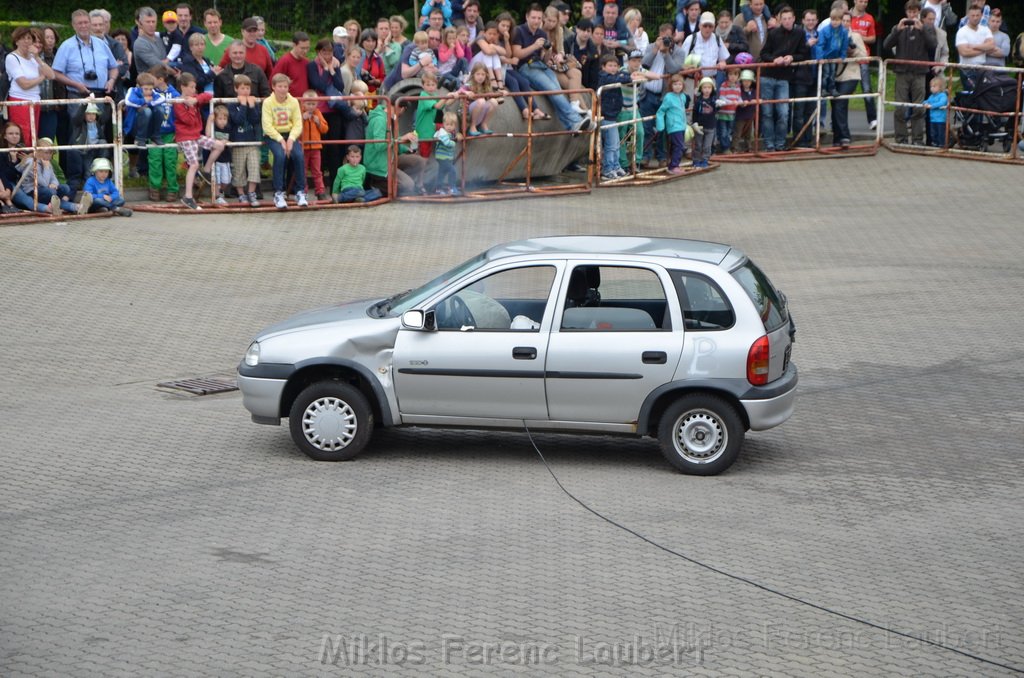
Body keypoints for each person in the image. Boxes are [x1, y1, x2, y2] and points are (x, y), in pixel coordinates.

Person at [512, 4, 590, 132]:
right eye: (533, 17)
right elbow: (517, 55)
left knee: (557, 92)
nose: (536, 21)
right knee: (554, 91)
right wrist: (534, 46)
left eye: (538, 18)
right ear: (527, 17)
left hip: (541, 65)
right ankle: (576, 120)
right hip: (526, 66)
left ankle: (571, 126)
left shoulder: (541, 33)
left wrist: (547, 50)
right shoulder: (519, 31)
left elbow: (545, 59)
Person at [884, 0, 937, 145]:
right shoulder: (899, 27)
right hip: (902, 72)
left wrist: (923, 30)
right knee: (900, 108)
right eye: (910, 12)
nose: (912, 15)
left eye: (915, 12)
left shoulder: (926, 27)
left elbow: (933, 45)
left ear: (919, 12)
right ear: (906, 12)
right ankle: (901, 139)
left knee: (918, 108)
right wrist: (897, 31)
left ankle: (917, 140)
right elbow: (886, 45)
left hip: (919, 73)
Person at [758, 6, 809, 152]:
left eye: (789, 18)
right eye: (784, 19)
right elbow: (764, 54)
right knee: (767, 112)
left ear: (794, 19)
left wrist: (792, 57)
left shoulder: (799, 33)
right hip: (768, 75)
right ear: (780, 20)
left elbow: (803, 53)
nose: (787, 21)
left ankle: (780, 144)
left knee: (783, 112)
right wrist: (775, 59)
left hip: (784, 78)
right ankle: (769, 144)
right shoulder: (773, 33)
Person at [174, 71, 225, 209]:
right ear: (183, 87)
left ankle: (206, 169)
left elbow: (208, 95)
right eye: (191, 87)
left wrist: (196, 100)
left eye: (194, 87)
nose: (193, 90)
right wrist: (190, 106)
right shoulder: (178, 102)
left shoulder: (194, 97)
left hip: (196, 135)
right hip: (185, 137)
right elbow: (188, 121)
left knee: (219, 145)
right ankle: (188, 196)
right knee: (194, 164)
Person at [641, 23, 685, 168]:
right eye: (663, 36)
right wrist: (655, 50)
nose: (665, 39)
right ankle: (645, 156)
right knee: (646, 128)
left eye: (668, 36)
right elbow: (644, 65)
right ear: (658, 35)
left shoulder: (678, 52)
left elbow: (674, 69)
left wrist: (666, 53)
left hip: (665, 96)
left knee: (663, 128)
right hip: (647, 94)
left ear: (673, 36)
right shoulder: (650, 47)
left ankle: (661, 157)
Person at [262, 73, 308, 209]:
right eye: (280, 86)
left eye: (285, 86)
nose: (283, 89)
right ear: (273, 87)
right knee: (280, 155)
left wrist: (291, 138)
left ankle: (300, 191)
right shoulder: (268, 102)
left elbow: (298, 123)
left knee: (298, 156)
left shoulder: (293, 101)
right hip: (273, 135)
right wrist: (281, 140)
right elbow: (267, 125)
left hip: (290, 134)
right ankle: (278, 192)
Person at [6, 27, 56, 146]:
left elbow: (52, 75)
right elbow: (24, 84)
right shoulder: (12, 58)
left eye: (29, 38)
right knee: (22, 137)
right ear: (16, 41)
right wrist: (41, 78)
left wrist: (37, 57)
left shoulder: (33, 58)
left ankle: (32, 162)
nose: (26, 41)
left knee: (33, 138)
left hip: (35, 101)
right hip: (20, 101)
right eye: (22, 38)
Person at [17, 137, 91, 215]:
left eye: (51, 153)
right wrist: (46, 168)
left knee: (65, 188)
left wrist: (54, 184)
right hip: (33, 192)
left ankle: (77, 207)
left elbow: (54, 178)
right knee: (51, 192)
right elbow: (44, 183)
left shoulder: (47, 162)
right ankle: (75, 207)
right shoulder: (32, 163)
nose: (49, 155)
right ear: (38, 152)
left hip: (47, 190)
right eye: (46, 153)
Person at [831, 11, 867, 149]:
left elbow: (864, 56)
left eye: (847, 21)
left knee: (840, 101)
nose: (845, 23)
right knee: (836, 104)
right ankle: (837, 137)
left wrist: (852, 51)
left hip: (851, 74)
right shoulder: (833, 34)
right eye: (842, 20)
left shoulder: (856, 36)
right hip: (836, 75)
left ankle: (845, 136)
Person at [597, 53, 636, 180]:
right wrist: (625, 76)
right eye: (610, 66)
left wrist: (625, 75)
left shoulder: (617, 75)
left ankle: (615, 165)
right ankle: (608, 169)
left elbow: (625, 76)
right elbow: (618, 79)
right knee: (611, 144)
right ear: (603, 67)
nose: (613, 68)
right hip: (606, 115)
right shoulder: (603, 77)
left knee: (616, 144)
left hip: (613, 114)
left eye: (615, 66)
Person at [542, 6, 587, 114]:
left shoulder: (559, 30)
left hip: (558, 62)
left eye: (554, 21)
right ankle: (586, 110)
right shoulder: (539, 31)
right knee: (569, 84)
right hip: (546, 63)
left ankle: (575, 104)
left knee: (576, 73)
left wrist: (560, 55)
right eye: (549, 21)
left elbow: (561, 49)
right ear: (544, 18)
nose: (551, 24)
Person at [145, 65, 179, 202]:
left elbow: (179, 112)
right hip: (154, 133)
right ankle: (155, 188)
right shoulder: (150, 93)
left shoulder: (174, 93)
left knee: (170, 162)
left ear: (160, 79)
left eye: (152, 79)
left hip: (170, 133)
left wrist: (178, 130)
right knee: (155, 161)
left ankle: (173, 189)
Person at [228, 74, 262, 207]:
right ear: (236, 89)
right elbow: (238, 120)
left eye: (248, 88)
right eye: (242, 88)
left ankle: (251, 193)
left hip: (252, 142)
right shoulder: (232, 104)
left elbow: (255, 120)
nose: (246, 91)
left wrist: (252, 107)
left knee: (254, 167)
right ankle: (241, 194)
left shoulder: (252, 102)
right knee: (239, 170)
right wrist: (242, 106)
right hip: (238, 143)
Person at [849, 0, 878, 130]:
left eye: (866, 2)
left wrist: (859, 37)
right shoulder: (847, 16)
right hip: (849, 58)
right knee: (845, 89)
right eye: (861, 1)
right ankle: (837, 122)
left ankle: (873, 119)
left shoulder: (869, 18)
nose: (864, 4)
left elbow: (873, 38)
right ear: (855, 1)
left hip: (863, 57)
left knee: (866, 89)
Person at [619, 49, 648, 170]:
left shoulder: (641, 70)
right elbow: (627, 77)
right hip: (622, 109)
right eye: (634, 60)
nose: (637, 63)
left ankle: (636, 160)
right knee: (622, 137)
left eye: (639, 61)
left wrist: (644, 75)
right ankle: (624, 163)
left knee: (639, 133)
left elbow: (655, 75)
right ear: (628, 61)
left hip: (634, 108)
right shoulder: (622, 71)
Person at [656, 73, 689, 173]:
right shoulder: (669, 97)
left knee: (677, 146)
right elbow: (661, 111)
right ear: (671, 86)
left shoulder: (683, 96)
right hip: (674, 126)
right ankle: (674, 166)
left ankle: (674, 165)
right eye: (675, 84)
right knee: (679, 146)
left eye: (680, 84)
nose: (678, 87)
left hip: (682, 125)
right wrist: (660, 125)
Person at [681, 11, 730, 78]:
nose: (707, 28)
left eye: (710, 26)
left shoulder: (717, 39)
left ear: (714, 27)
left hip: (710, 81)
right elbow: (680, 61)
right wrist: (688, 68)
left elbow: (723, 60)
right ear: (699, 26)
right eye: (705, 26)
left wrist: (722, 63)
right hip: (692, 81)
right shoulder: (691, 39)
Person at [300, 91, 330, 200]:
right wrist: (302, 119)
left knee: (317, 171)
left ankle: (320, 191)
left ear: (317, 104)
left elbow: (325, 129)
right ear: (303, 103)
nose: (311, 107)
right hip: (303, 147)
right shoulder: (300, 113)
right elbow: (296, 129)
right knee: (302, 171)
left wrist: (318, 123)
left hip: (316, 147)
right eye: (308, 104)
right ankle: (303, 191)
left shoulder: (318, 113)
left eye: (313, 104)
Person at [459, 62, 499, 136]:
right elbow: (459, 90)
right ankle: (472, 126)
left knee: (494, 101)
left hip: (479, 111)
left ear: (486, 75)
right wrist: (466, 92)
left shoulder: (486, 85)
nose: (480, 77)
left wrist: (502, 92)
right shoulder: (470, 84)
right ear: (473, 74)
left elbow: (492, 94)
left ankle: (483, 124)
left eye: (483, 74)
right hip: (468, 113)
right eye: (478, 74)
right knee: (481, 100)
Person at [817, 8, 849, 97]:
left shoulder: (844, 31)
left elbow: (844, 45)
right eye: (833, 19)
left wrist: (842, 56)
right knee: (826, 73)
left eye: (837, 20)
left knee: (833, 73)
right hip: (825, 57)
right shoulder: (824, 30)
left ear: (841, 20)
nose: (835, 22)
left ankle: (832, 89)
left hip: (835, 57)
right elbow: (820, 45)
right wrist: (820, 58)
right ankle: (823, 89)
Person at [415, 70, 447, 157]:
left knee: (447, 128)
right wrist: (447, 97)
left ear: (436, 86)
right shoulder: (423, 95)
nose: (431, 87)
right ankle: (422, 169)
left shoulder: (432, 96)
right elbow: (437, 106)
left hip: (430, 129)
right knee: (424, 155)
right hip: (423, 132)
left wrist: (454, 95)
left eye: (433, 85)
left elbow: (444, 104)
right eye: (428, 85)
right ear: (423, 85)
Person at [272, 32, 311, 98]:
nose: (305, 51)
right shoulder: (284, 61)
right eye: (302, 48)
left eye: (307, 48)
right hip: (288, 103)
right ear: (294, 45)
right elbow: (273, 81)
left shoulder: (306, 62)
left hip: (304, 103)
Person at [133, 7, 169, 75]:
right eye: (148, 22)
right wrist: (175, 73)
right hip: (149, 83)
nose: (151, 25)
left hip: (165, 81)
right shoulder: (140, 43)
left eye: (153, 21)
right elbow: (158, 65)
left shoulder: (159, 39)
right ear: (140, 23)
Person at [690, 76, 717, 167]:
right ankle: (696, 160)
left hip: (710, 127)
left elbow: (715, 111)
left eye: (709, 88)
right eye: (705, 87)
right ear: (701, 89)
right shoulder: (698, 101)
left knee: (707, 146)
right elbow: (695, 113)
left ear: (712, 89)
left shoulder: (714, 100)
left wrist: (719, 105)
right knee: (698, 145)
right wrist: (694, 123)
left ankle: (705, 160)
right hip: (700, 128)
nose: (707, 90)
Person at [433, 111, 461, 195]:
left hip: (446, 157)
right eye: (447, 124)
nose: (449, 127)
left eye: (451, 125)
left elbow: (457, 135)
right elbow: (447, 143)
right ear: (443, 124)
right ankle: (452, 188)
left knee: (442, 173)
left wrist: (458, 135)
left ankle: (438, 189)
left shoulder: (450, 133)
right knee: (452, 171)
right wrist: (454, 143)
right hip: (442, 157)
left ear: (454, 126)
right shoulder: (442, 133)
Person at [209, 105, 232, 204]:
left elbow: (232, 139)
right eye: (220, 118)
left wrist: (227, 141)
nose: (222, 121)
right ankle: (217, 196)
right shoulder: (213, 128)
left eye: (224, 118)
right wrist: (209, 121)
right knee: (217, 180)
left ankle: (220, 192)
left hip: (226, 159)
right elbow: (208, 135)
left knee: (226, 180)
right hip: (216, 160)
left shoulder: (228, 128)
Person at [716, 67, 742, 152]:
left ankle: (726, 147)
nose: (733, 77)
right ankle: (725, 148)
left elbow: (739, 97)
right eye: (730, 74)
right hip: (723, 113)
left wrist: (741, 102)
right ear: (727, 75)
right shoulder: (724, 85)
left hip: (732, 113)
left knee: (729, 131)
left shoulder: (738, 87)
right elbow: (722, 97)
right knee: (723, 132)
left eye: (735, 74)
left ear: (738, 76)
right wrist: (731, 102)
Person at [733, 68, 757, 152]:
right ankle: (734, 148)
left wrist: (756, 100)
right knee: (737, 133)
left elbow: (758, 99)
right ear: (741, 81)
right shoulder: (739, 91)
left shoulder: (754, 91)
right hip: (740, 116)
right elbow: (737, 99)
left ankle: (749, 148)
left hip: (750, 116)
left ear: (751, 82)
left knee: (749, 134)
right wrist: (743, 102)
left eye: (748, 81)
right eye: (744, 81)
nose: (746, 83)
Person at [922, 74, 948, 147]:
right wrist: (925, 103)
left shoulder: (943, 95)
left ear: (940, 87)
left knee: (941, 133)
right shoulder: (931, 96)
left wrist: (932, 106)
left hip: (940, 119)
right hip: (933, 119)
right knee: (933, 133)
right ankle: (935, 143)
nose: (932, 88)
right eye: (931, 86)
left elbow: (942, 103)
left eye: (934, 86)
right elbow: (927, 101)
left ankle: (942, 144)